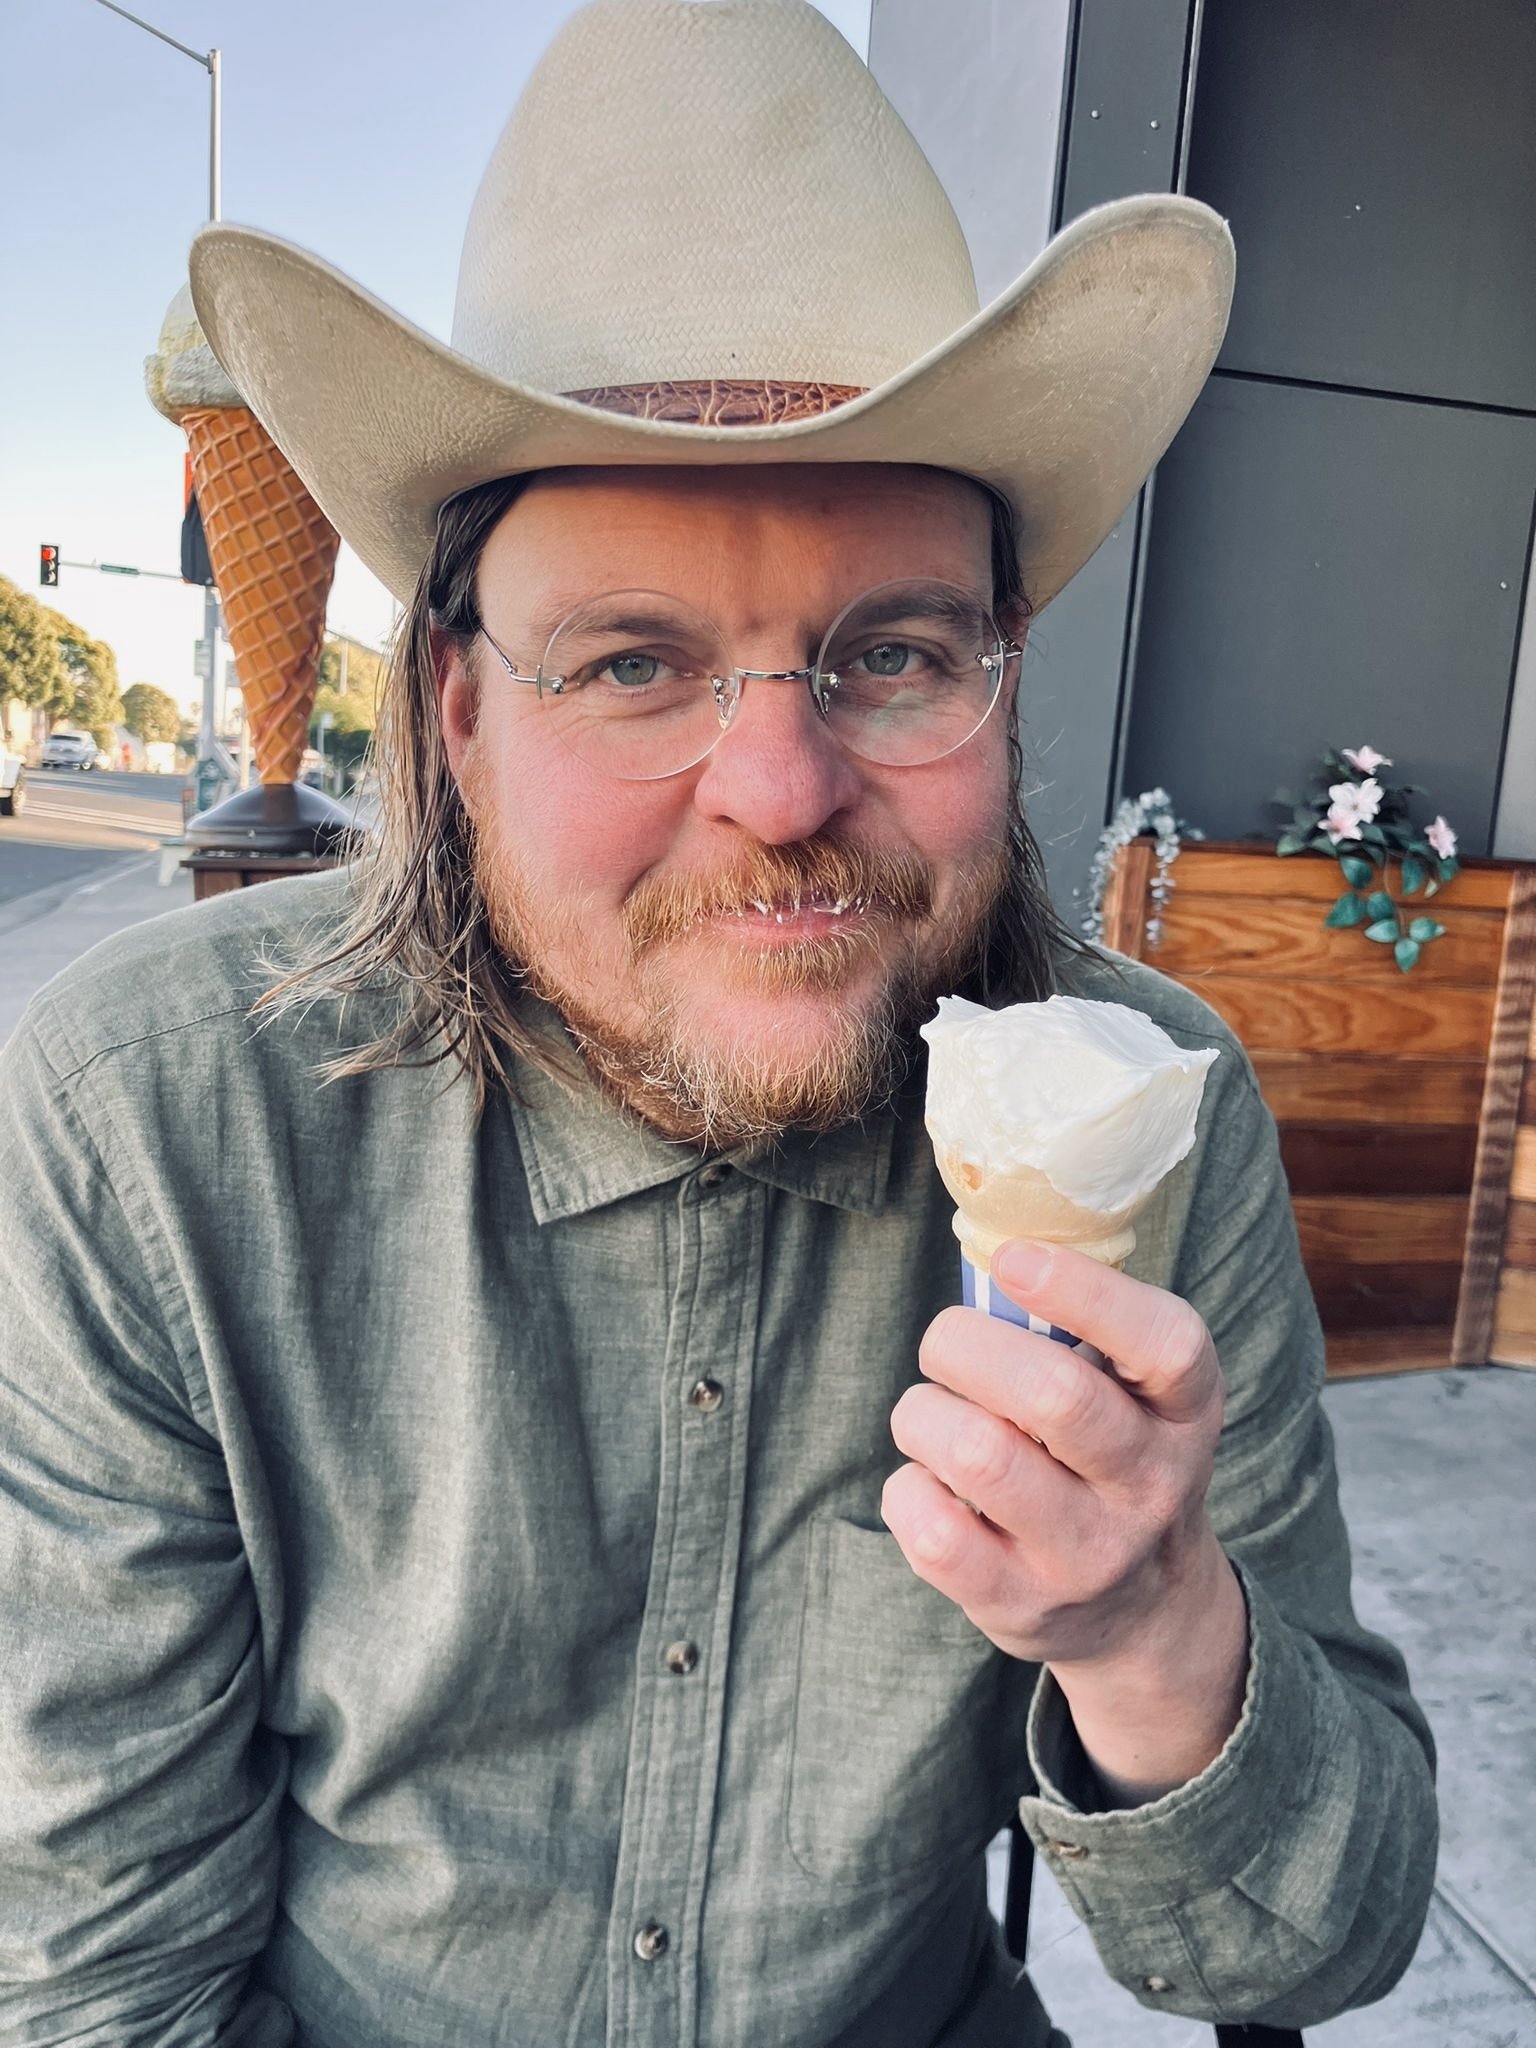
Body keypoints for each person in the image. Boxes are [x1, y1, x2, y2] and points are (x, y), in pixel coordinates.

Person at [0, 5, 1435, 2044]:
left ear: (1003, 682)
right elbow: (102, 1981)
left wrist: (1149, 1630)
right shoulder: (151, 1124)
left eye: (897, 651)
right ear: (461, 715)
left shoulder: (1138, 1113)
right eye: (634, 662)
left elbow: (1328, 1935)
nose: (781, 790)